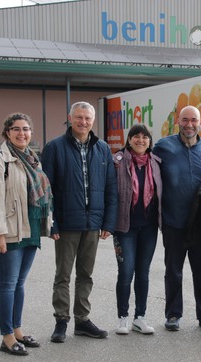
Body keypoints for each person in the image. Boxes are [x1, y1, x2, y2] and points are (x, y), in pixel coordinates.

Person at [41, 101, 118, 341]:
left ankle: (82, 320)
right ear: (70, 118)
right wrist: (51, 222)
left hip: (93, 223)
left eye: (87, 118)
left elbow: (110, 187)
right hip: (66, 223)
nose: (83, 122)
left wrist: (108, 222)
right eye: (79, 117)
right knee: (63, 275)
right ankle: (61, 320)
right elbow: (46, 190)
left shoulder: (103, 148)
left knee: (86, 275)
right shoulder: (54, 147)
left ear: (93, 121)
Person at [0, 112, 53, 356]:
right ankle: (7, 336)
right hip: (9, 232)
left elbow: (40, 197)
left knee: (19, 284)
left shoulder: (32, 159)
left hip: (30, 229)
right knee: (8, 284)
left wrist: (48, 225)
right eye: (16, 129)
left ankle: (18, 330)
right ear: (7, 133)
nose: (22, 133)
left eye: (26, 129)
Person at [152, 105, 201, 332]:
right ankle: (173, 315)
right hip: (174, 222)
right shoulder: (163, 147)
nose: (189, 124)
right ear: (178, 121)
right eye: (185, 120)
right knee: (173, 271)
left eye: (194, 120)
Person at [112, 124, 162, 335]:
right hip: (125, 227)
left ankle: (139, 317)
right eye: (136, 137)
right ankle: (123, 317)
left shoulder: (157, 163)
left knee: (143, 272)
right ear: (129, 140)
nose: (140, 140)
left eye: (145, 137)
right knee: (126, 271)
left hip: (149, 227)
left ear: (150, 141)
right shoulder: (118, 162)